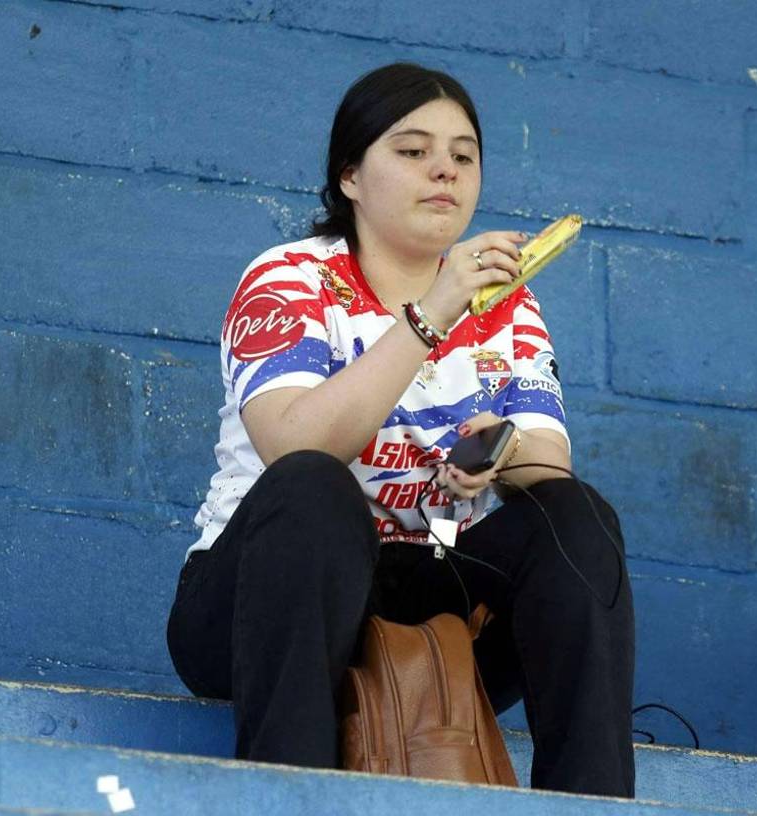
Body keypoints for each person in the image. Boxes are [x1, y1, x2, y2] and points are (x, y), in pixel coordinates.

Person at [165, 62, 635, 798]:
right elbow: (295, 444)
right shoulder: (292, 278)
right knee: (315, 488)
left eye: (463, 154)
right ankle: (291, 796)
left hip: (433, 604)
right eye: (413, 151)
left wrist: (498, 452)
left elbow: (546, 464)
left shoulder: (506, 303)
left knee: (580, 519)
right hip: (264, 602)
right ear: (350, 176)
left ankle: (591, 802)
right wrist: (429, 316)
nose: (443, 169)